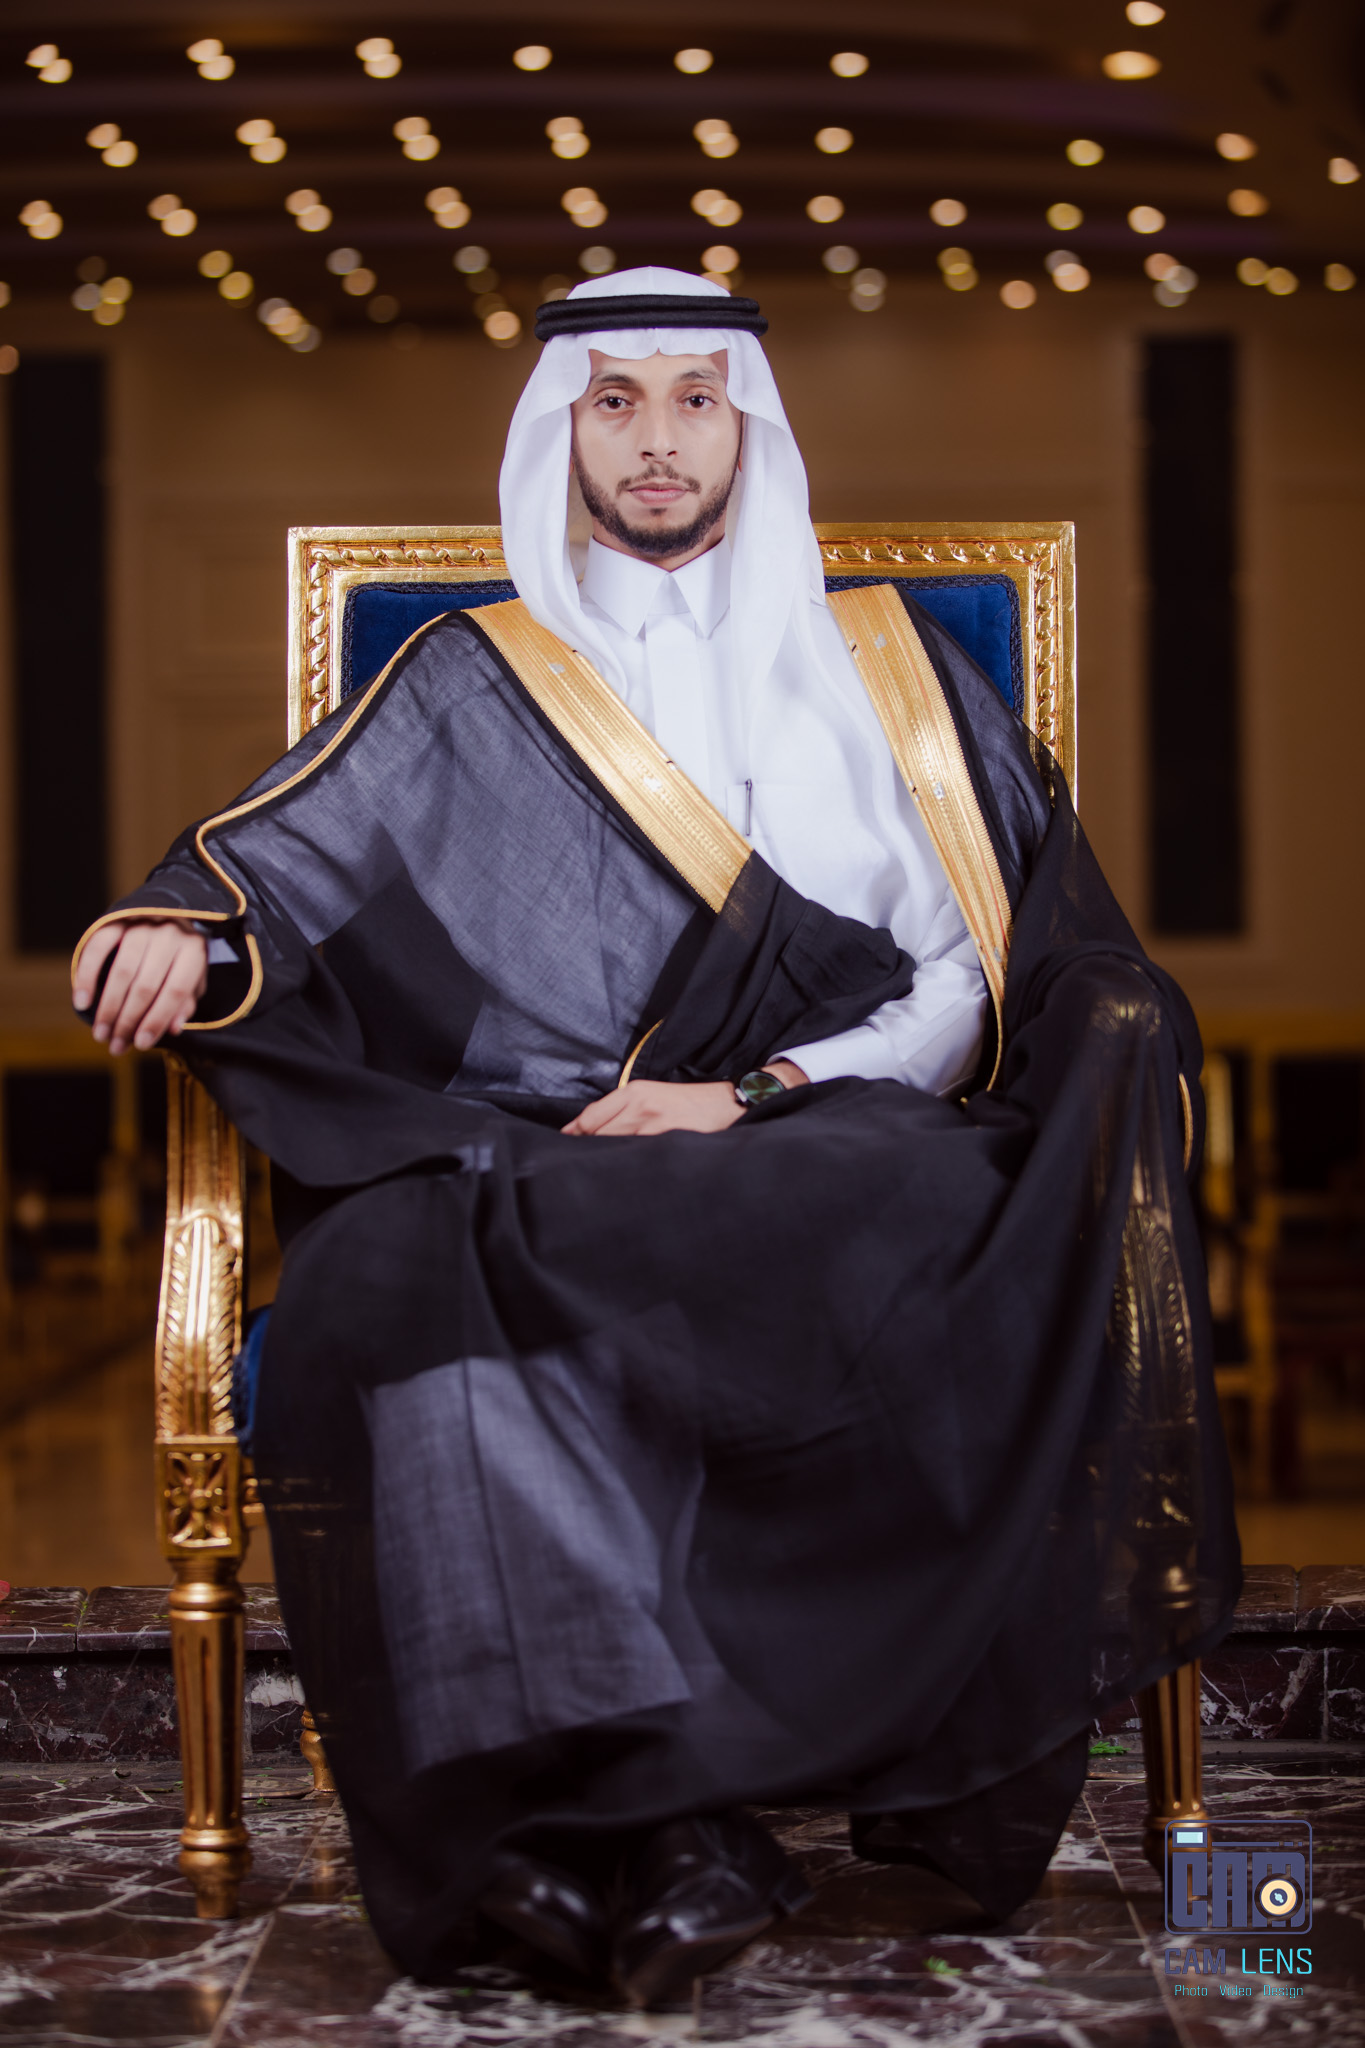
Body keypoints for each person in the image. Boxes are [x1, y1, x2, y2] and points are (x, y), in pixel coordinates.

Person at [73, 268, 1239, 2008]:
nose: (656, 440)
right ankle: (609, 1830)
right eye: (613, 402)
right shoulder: (476, 675)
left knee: (846, 1209)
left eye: (695, 398)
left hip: (848, 1126)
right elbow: (291, 870)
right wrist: (189, 923)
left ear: (747, 423)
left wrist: (758, 1090)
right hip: (562, 1134)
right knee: (374, 1279)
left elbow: (974, 969)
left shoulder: (888, 664)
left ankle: (676, 1810)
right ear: (563, 431)